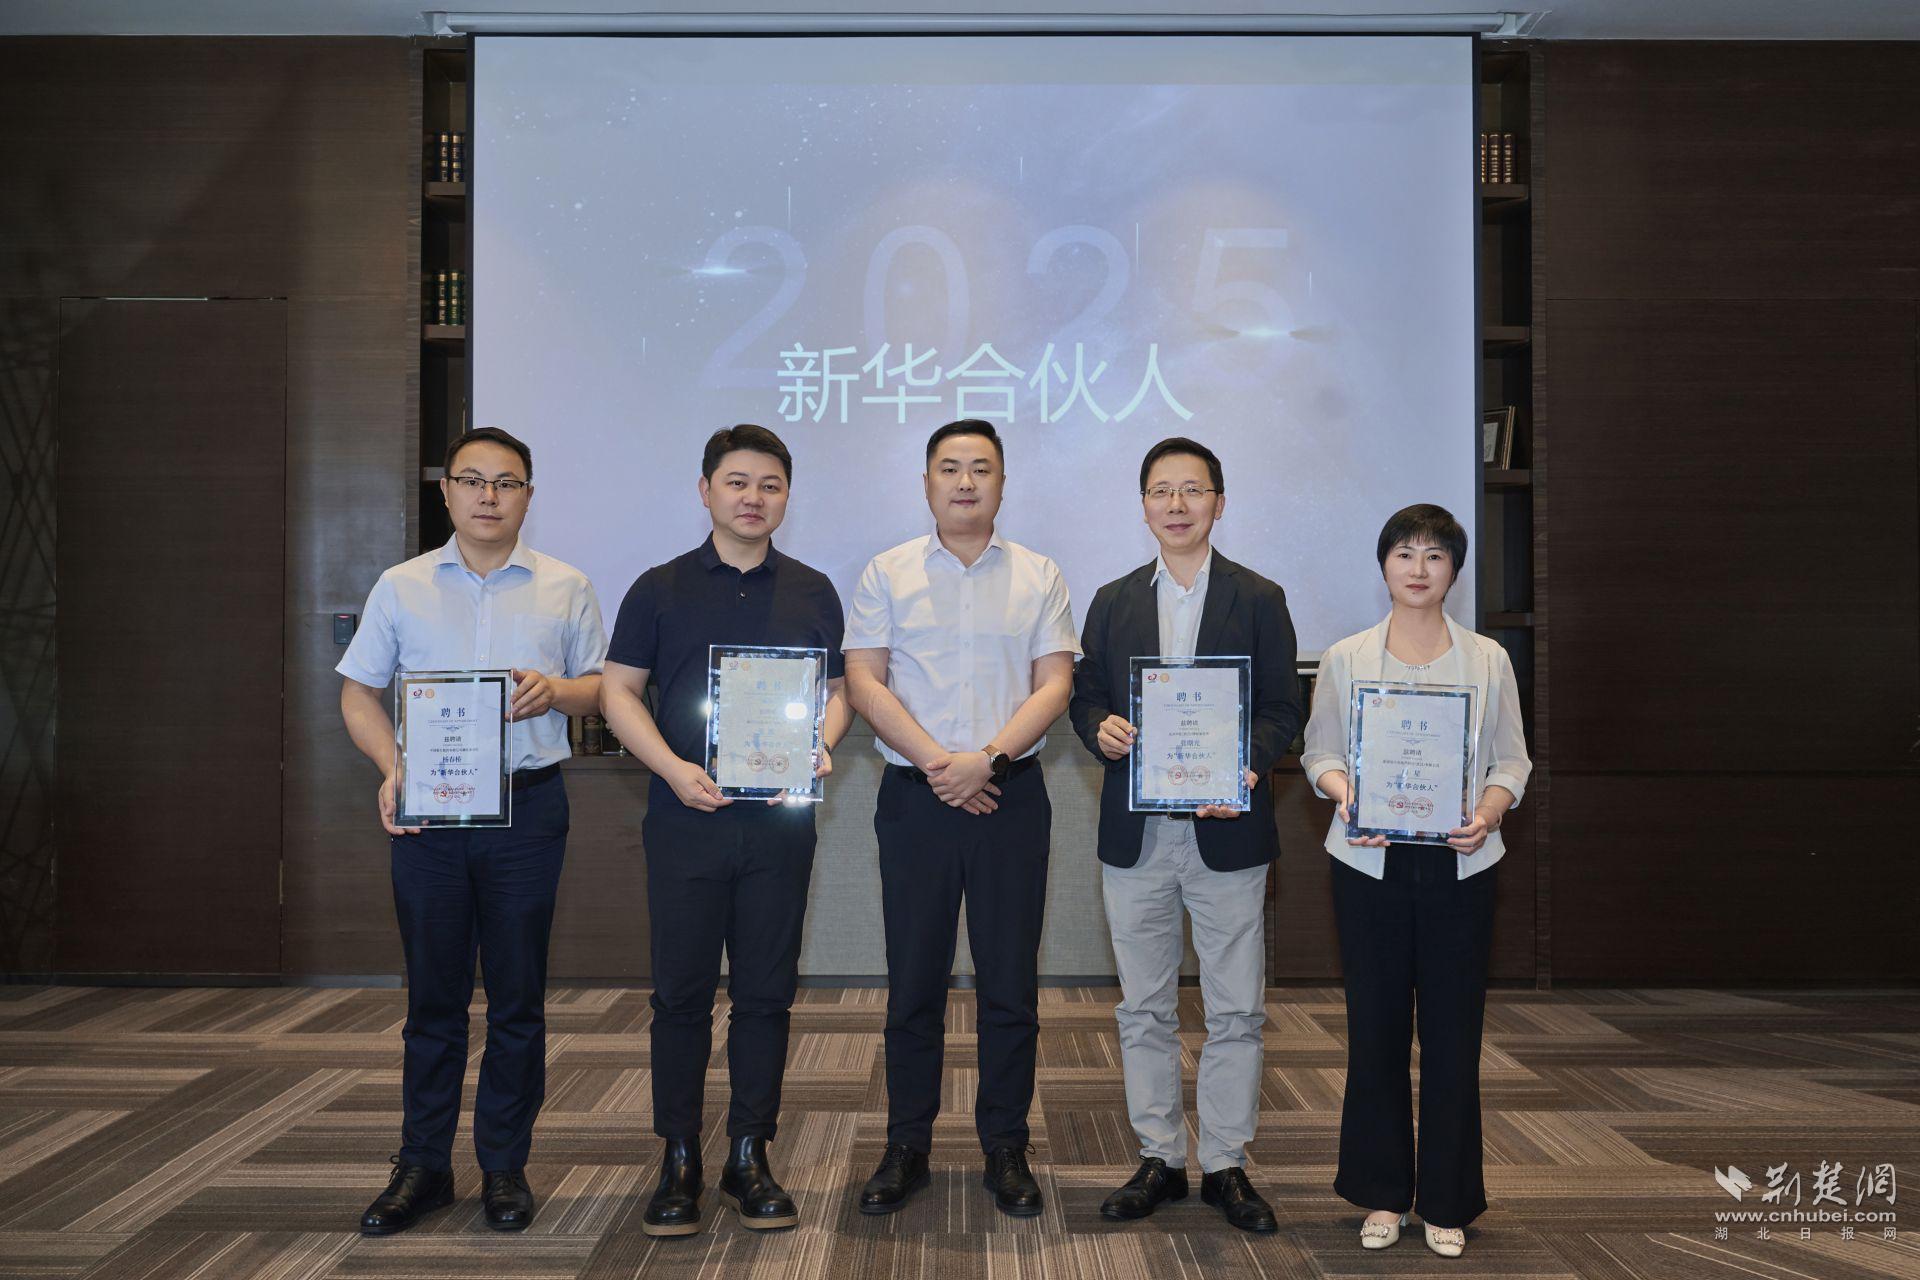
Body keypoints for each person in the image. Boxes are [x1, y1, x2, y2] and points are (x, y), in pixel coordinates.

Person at [337, 427, 607, 1235]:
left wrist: (556, 690)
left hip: (528, 810)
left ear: (528, 495)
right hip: (431, 812)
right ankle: (422, 1163)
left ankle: (504, 1165)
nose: (490, 496)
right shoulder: (401, 586)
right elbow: (358, 692)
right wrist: (392, 766)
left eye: (507, 482)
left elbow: (602, 688)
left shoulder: (566, 585)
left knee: (518, 996)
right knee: (434, 996)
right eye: (473, 480)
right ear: (446, 491)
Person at [600, 424, 849, 1237]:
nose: (753, 498)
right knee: (679, 994)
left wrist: (821, 744)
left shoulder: (814, 590)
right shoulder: (658, 588)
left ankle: (750, 1154)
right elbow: (617, 692)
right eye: (737, 482)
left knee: (765, 993)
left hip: (779, 825)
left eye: (770, 484)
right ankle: (679, 1157)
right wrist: (672, 768)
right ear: (705, 490)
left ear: (787, 496)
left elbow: (838, 691)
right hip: (686, 819)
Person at [842, 419, 1078, 1218]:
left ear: (1003, 484)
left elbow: (1055, 685)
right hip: (917, 799)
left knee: (1010, 985)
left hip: (1011, 797)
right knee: (914, 981)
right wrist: (945, 765)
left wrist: (989, 760)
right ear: (926, 483)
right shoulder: (887, 572)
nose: (966, 482)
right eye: (950, 468)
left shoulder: (1040, 574)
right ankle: (906, 1145)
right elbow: (865, 682)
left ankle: (1005, 1146)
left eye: (981, 468)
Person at [1068, 437, 1301, 1233]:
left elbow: (1284, 707)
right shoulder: (1112, 600)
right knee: (1144, 1007)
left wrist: (1248, 765)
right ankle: (1160, 1158)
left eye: (1192, 490)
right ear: (1143, 506)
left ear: (1219, 503)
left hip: (1226, 831)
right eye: (1161, 491)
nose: (1177, 505)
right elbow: (1085, 695)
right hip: (1137, 834)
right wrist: (1097, 727)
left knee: (1236, 1008)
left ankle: (1227, 1162)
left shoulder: (1259, 597)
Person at [1300, 503, 1531, 1260]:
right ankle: (1382, 1193)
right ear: (1384, 565)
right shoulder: (1345, 658)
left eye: (1435, 555)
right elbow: (1319, 754)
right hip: (1369, 863)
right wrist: (1348, 796)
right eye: (1405, 553)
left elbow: (1512, 761)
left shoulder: (1488, 659)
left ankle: (1446, 1200)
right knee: (1375, 1031)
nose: (1419, 568)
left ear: (1454, 570)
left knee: (1453, 1035)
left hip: (1461, 864)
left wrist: (1488, 814)